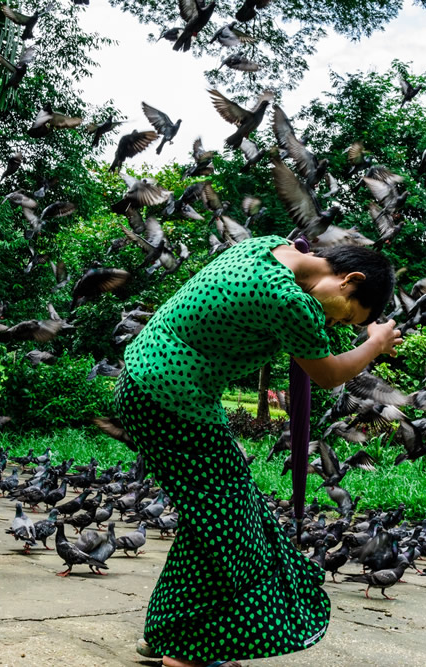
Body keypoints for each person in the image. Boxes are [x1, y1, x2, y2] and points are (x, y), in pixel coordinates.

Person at [115, 235, 401, 667]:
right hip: (170, 400)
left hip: (145, 384)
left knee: (214, 520)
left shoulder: (262, 246)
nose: (339, 326)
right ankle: (188, 650)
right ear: (349, 281)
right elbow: (328, 375)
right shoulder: (291, 303)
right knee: (235, 532)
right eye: (349, 316)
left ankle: (169, 633)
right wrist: (375, 342)